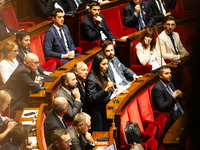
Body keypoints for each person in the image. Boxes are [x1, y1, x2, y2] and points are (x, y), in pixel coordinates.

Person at [85, 53, 113, 132]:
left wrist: (113, 90)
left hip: (102, 107)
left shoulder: (103, 75)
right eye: (103, 64)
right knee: (99, 133)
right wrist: (106, 90)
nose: (106, 66)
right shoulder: (91, 79)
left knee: (104, 131)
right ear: (97, 65)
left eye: (107, 64)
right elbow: (91, 98)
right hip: (95, 111)